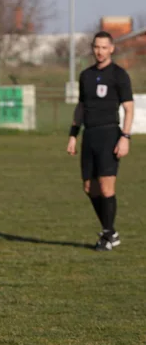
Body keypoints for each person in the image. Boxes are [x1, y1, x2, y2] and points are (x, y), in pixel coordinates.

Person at [67, 31, 134, 251]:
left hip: (109, 134)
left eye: (104, 47)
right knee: (89, 188)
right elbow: (80, 107)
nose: (100, 51)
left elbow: (128, 108)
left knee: (106, 187)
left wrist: (125, 137)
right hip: (90, 135)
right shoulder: (85, 75)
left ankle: (107, 234)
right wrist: (73, 135)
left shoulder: (119, 75)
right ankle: (110, 231)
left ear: (112, 49)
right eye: (96, 47)